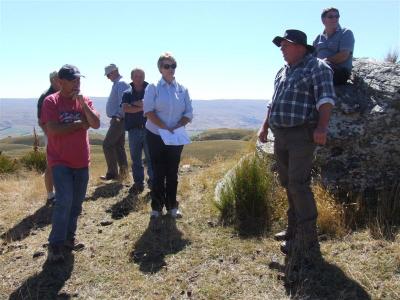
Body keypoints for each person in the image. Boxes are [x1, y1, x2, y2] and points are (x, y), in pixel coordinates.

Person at [258, 30, 335, 261]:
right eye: (281, 44)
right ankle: (293, 230)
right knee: (287, 183)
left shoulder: (317, 67)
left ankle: (307, 239)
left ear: (300, 46)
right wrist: (264, 127)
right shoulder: (283, 71)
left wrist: (321, 127)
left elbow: (326, 99)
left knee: (298, 184)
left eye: (285, 44)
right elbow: (273, 102)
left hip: (302, 134)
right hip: (280, 134)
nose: (281, 48)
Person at [40, 64, 100, 262]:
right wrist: (78, 124)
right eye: (73, 80)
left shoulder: (85, 101)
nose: (77, 83)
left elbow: (95, 123)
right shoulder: (51, 101)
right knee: (64, 201)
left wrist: (83, 106)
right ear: (60, 82)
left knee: (76, 204)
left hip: (82, 161)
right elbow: (53, 129)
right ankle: (55, 244)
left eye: (79, 79)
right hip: (60, 161)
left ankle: (69, 238)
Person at [143, 52, 193, 219]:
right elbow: (148, 111)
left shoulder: (182, 89)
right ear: (160, 69)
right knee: (158, 172)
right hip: (156, 134)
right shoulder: (153, 88)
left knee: (172, 171)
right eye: (167, 66)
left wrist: (178, 126)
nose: (170, 69)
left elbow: (189, 112)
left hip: (175, 136)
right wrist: (164, 127)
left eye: (173, 66)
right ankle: (156, 207)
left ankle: (172, 206)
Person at [121, 68, 153, 194]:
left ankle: (153, 183)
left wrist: (135, 105)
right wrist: (144, 107)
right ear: (132, 77)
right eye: (136, 76)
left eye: (141, 76)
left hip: (149, 129)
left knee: (151, 158)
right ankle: (139, 183)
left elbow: (154, 106)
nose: (139, 78)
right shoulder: (127, 92)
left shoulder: (151, 90)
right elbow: (126, 109)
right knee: (136, 159)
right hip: (133, 130)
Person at [101, 63, 130, 180]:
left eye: (108, 75)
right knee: (118, 146)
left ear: (114, 71)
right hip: (119, 118)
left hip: (119, 119)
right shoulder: (118, 83)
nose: (108, 77)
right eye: (107, 75)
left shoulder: (121, 83)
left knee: (107, 145)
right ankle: (124, 174)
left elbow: (123, 103)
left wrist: (118, 116)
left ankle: (112, 173)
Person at [313, 7, 355, 85]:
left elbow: (344, 55)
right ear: (323, 20)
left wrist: (324, 62)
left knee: (320, 71)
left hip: (339, 71)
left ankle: (326, 96)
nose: (335, 19)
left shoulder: (346, 33)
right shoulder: (318, 38)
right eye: (331, 17)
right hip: (319, 69)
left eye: (337, 16)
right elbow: (312, 57)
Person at [37, 71, 61, 203]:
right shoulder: (46, 96)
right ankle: (50, 194)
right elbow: (41, 121)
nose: (61, 81)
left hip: (63, 135)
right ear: (52, 80)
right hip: (51, 135)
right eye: (59, 79)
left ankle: (61, 192)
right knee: (51, 164)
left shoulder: (63, 94)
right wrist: (50, 134)